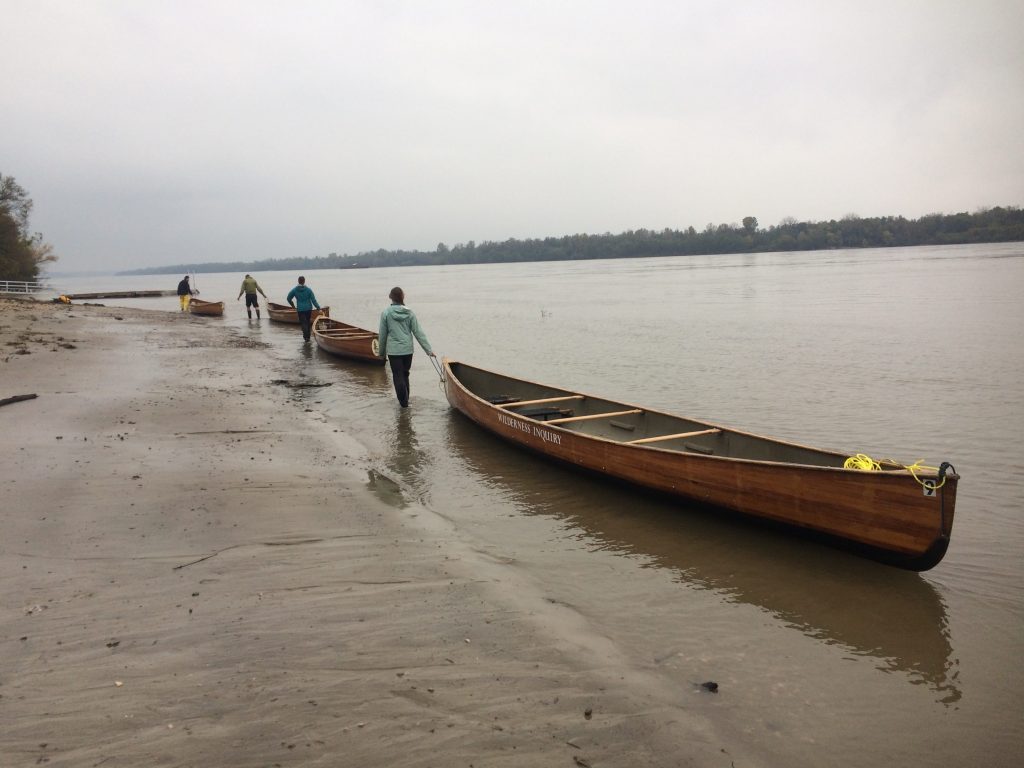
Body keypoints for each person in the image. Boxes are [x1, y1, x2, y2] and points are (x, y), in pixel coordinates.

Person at [378, 286, 435, 408]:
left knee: (398, 376)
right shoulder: (409, 313)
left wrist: (381, 353)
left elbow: (382, 335)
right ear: (402, 297)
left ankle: (403, 404)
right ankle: (406, 402)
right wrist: (428, 350)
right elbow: (418, 332)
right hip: (408, 350)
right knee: (405, 374)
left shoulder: (386, 313)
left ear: (391, 298)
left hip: (394, 351)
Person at [286, 276, 321, 341]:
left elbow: (288, 298)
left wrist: (292, 305)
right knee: (307, 322)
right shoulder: (309, 290)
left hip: (300, 309)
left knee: (303, 323)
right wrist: (318, 308)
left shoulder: (294, 290)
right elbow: (313, 300)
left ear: (298, 281)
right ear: (304, 281)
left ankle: (306, 337)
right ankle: (308, 337)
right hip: (308, 309)